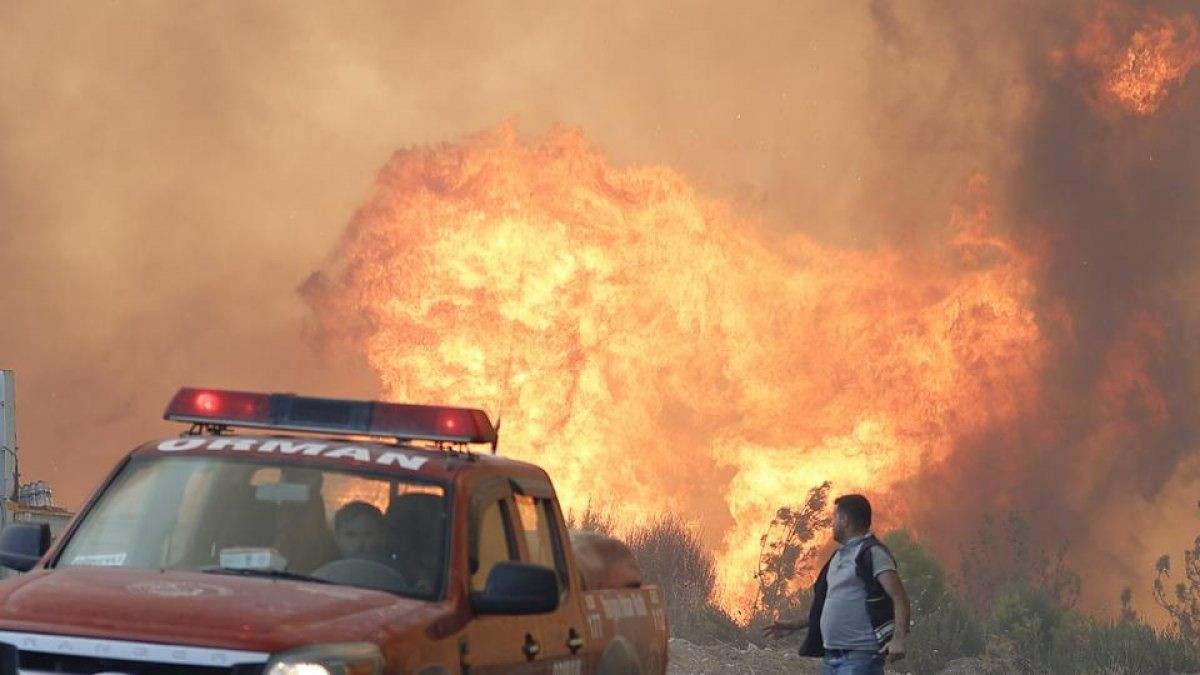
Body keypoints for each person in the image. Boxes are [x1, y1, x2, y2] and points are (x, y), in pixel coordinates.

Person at [764, 494, 912, 674]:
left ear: (845, 520)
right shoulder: (837, 558)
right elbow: (827, 605)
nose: (832, 523)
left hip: (861, 658)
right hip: (832, 657)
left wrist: (899, 638)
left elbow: (899, 596)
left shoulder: (872, 553)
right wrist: (795, 625)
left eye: (835, 517)